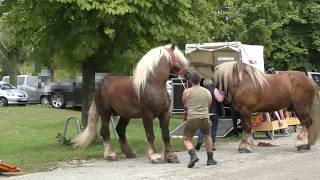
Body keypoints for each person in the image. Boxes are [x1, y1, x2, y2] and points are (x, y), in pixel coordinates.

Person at [182, 71, 217, 168]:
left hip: (192, 118)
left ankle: (193, 155)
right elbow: (208, 104)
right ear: (200, 80)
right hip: (205, 118)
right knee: (207, 135)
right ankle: (210, 159)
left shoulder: (187, 92)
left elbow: (184, 103)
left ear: (190, 80)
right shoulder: (207, 92)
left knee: (186, 139)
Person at [195, 79, 224, 151]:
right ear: (212, 83)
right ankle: (212, 144)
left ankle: (199, 141)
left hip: (204, 112)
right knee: (213, 129)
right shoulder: (215, 90)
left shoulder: (200, 90)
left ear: (204, 84)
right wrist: (222, 95)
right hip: (214, 113)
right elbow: (220, 99)